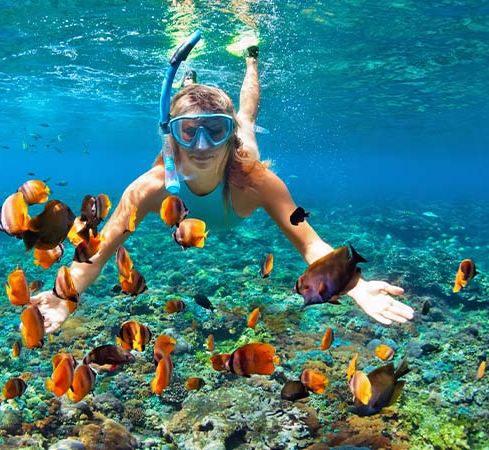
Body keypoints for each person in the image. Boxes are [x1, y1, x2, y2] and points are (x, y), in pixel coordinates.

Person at [31, 45, 414, 333]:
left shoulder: (257, 181)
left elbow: (310, 243)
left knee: (247, 115)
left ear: (228, 137)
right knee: (197, 105)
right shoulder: (151, 188)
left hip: (243, 151)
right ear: (174, 137)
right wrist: (66, 296)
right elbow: (100, 249)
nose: (202, 146)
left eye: (216, 130)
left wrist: (353, 283)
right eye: (188, 132)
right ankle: (189, 85)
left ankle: (250, 59)